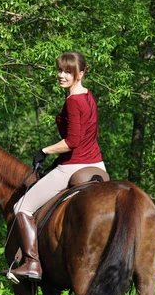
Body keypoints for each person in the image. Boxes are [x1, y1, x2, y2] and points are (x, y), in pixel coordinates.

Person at [8, 51, 106, 282]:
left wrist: (44, 151)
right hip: (98, 164)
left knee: (21, 207)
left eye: (68, 72)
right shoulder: (89, 96)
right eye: (60, 70)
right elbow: (91, 134)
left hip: (75, 165)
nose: (62, 75)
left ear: (81, 73)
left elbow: (72, 142)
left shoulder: (73, 101)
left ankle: (32, 264)